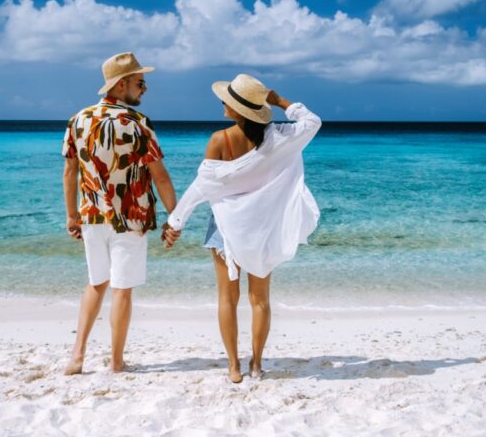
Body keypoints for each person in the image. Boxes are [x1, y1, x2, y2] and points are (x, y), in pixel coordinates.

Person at [163, 74, 321, 383]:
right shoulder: (279, 136)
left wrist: (176, 221)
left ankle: (234, 366)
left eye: (228, 101)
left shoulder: (220, 140)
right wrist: (280, 101)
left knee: (227, 298)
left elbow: (200, 187)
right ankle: (257, 365)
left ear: (237, 110)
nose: (223, 103)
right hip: (262, 228)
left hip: (225, 227)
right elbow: (312, 121)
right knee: (260, 299)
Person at [62, 52, 178, 374]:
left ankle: (77, 356)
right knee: (122, 289)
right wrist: (175, 217)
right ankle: (116, 362)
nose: (144, 89)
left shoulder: (78, 120)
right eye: (140, 83)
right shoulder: (139, 124)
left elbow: (70, 173)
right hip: (131, 218)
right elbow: (160, 176)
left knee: (95, 283)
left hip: (92, 217)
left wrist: (72, 216)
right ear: (121, 84)